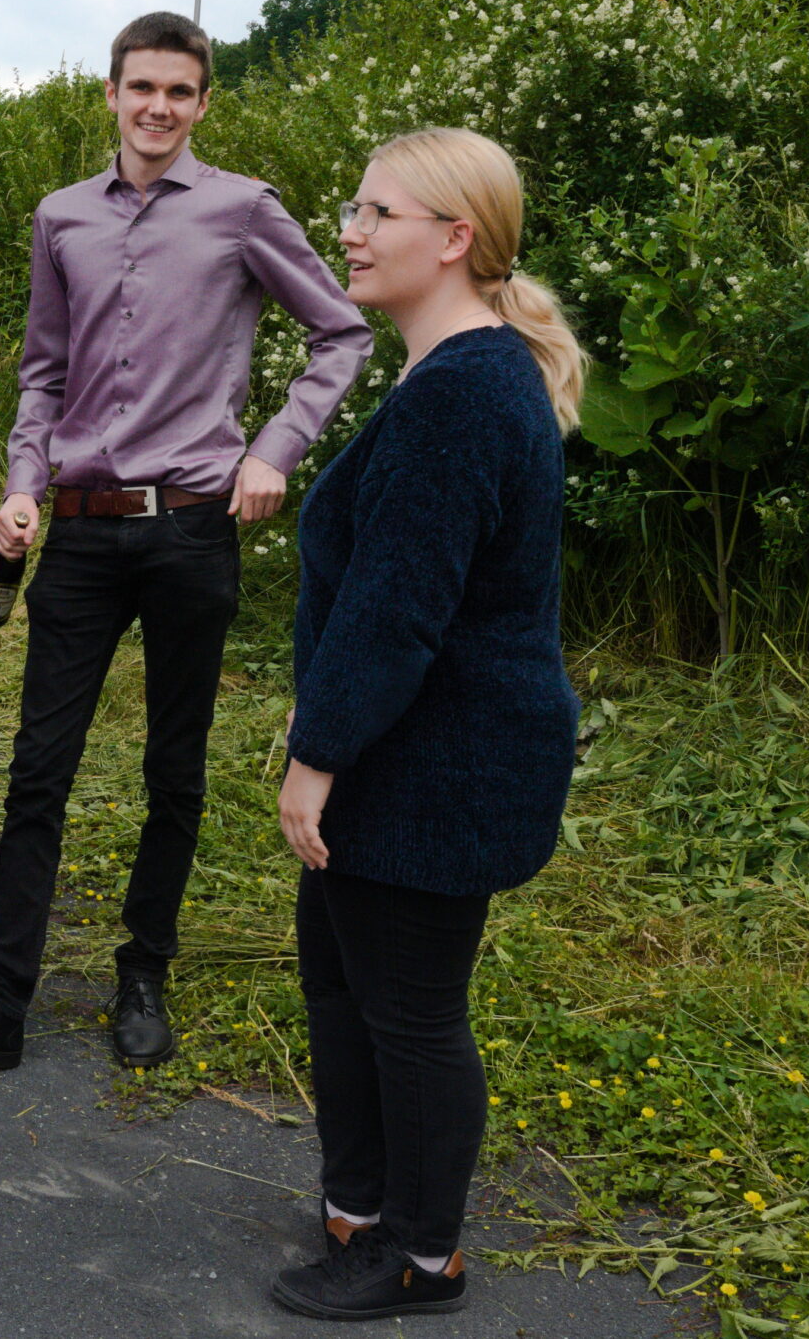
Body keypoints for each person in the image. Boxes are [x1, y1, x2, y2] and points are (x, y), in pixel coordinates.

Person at [0, 11, 371, 1075]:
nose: (158, 108)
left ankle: (143, 973)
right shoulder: (60, 217)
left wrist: (275, 449)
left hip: (194, 529)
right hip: (80, 534)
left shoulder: (244, 211)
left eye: (179, 93)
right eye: (140, 88)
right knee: (38, 770)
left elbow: (342, 331)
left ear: (202, 103)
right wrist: (21, 486)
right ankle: (0, 1004)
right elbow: (42, 375)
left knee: (173, 767)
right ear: (108, 93)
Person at [267, 127, 584, 1320]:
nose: (347, 230)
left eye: (375, 213)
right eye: (349, 207)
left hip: (434, 764)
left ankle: (421, 1254)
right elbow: (382, 598)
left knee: (407, 1013)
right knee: (345, 989)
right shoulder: (448, 373)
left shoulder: (462, 396)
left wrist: (317, 757)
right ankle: (359, 1207)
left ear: (454, 240)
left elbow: (399, 614)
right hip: (401, 748)